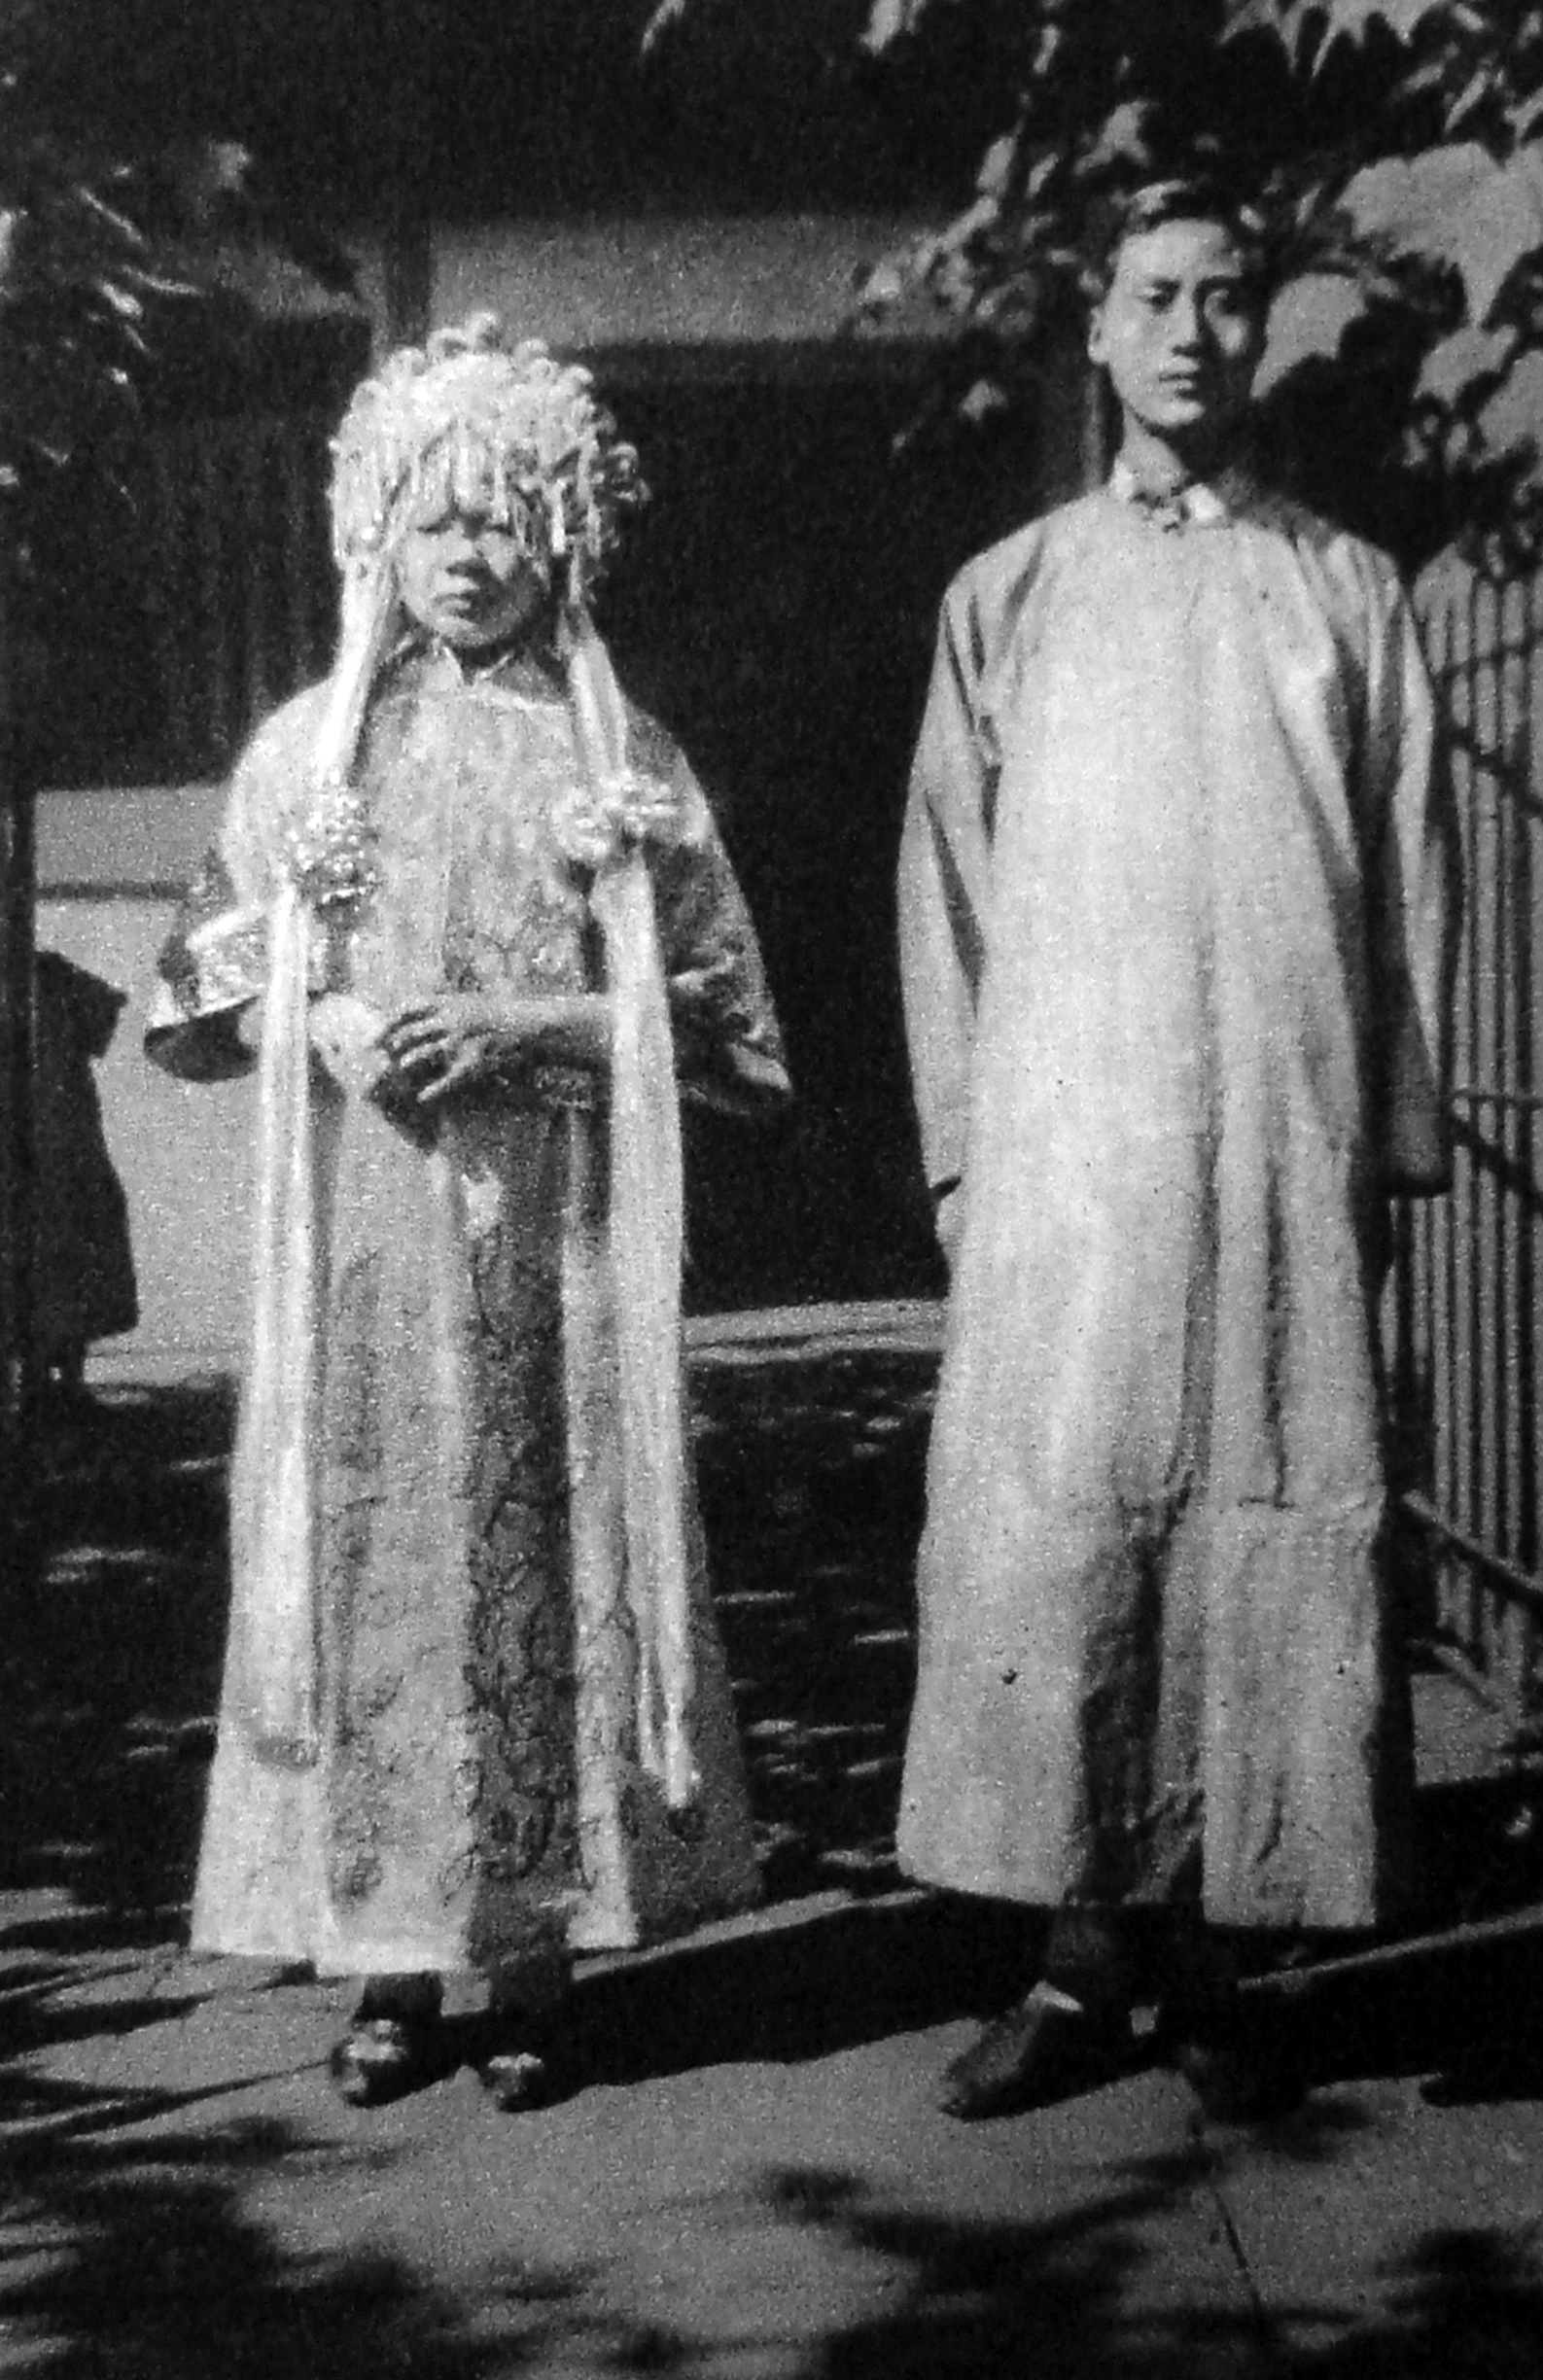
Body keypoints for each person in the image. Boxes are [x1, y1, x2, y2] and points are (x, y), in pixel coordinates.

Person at [148, 316, 789, 2108]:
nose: (469, 552)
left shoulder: (619, 758)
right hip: (364, 1238)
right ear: (376, 528)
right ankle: (386, 1961)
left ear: (563, 532)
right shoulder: (308, 752)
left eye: (505, 515)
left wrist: (531, 1026)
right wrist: (320, 1016)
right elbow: (194, 994)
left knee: (538, 1555)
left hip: (549, 1237)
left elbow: (730, 1026)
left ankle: (529, 1956)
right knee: (377, 1564)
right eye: (434, 516)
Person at [895, 179, 1458, 2119]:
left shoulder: (1347, 592)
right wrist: (968, 1160)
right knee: (1078, 1526)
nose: (1190, 332)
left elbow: (1408, 887)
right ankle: (1077, 1960)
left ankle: (1224, 1954)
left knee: (1261, 1515)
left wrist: (1390, 1146)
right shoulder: (1010, 592)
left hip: (1287, 1144)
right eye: (1153, 296)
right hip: (1076, 1159)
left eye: (1224, 297)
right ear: (1097, 325)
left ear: (1258, 327)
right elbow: (945, 893)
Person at [34, 948, 139, 1407]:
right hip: (53, 1138)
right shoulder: (53, 974)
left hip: (65, 1136)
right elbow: (103, 1020)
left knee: (73, 1237)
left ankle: (61, 1376)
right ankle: (52, 1377)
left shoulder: (52, 974)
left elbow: (103, 1021)